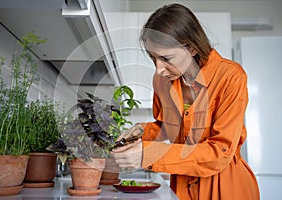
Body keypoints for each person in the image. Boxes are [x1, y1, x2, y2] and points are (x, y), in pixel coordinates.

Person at [111, 3, 260, 200]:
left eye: (166, 58)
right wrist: (142, 130)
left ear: (191, 47)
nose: (158, 69)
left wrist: (149, 154)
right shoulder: (162, 81)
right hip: (182, 188)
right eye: (153, 58)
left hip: (225, 188)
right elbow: (168, 127)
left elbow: (219, 152)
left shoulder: (231, 77)